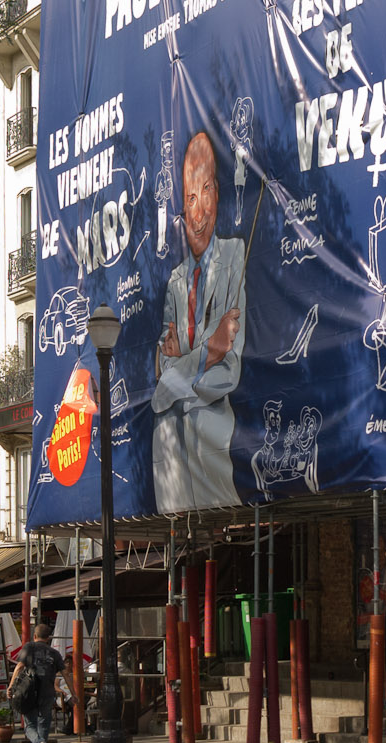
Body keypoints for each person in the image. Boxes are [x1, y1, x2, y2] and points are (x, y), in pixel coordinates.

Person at [152, 130, 247, 513]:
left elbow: (230, 367)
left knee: (226, 547)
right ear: (181, 209)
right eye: (190, 198)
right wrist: (208, 348)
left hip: (213, 443)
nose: (200, 210)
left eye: (206, 191)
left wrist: (181, 370)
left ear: (218, 194)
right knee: (177, 557)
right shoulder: (174, 281)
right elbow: (160, 383)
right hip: (169, 456)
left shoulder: (234, 255)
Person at [9, 621, 67, 743]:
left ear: (34, 635)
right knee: (44, 723)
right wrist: (73, 692)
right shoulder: (55, 653)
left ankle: (38, 742)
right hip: (48, 692)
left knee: (30, 725)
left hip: (29, 691)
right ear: (48, 638)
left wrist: (11, 686)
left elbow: (19, 667)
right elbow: (66, 674)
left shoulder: (29, 647)